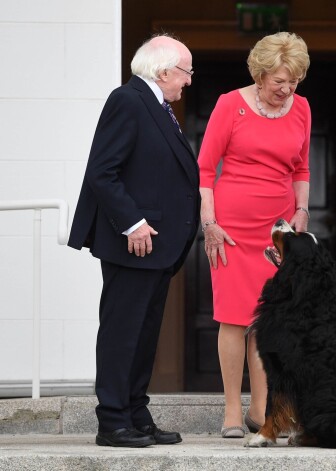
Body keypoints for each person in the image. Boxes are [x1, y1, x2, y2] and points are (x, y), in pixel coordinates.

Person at [68, 34, 199, 447]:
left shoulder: (156, 105)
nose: (189, 81)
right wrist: (132, 223)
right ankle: (112, 420)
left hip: (159, 246)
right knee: (123, 331)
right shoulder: (128, 100)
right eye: (186, 72)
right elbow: (102, 172)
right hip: (135, 242)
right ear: (164, 72)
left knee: (144, 334)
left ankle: (135, 414)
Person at [197, 32, 311, 438]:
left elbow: (301, 168)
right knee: (233, 318)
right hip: (231, 229)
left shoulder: (302, 108)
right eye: (280, 81)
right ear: (260, 74)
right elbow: (206, 169)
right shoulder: (231, 104)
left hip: (275, 233)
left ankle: (261, 410)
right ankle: (231, 410)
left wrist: (301, 210)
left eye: (294, 81)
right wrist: (209, 223)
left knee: (267, 321)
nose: (287, 89)